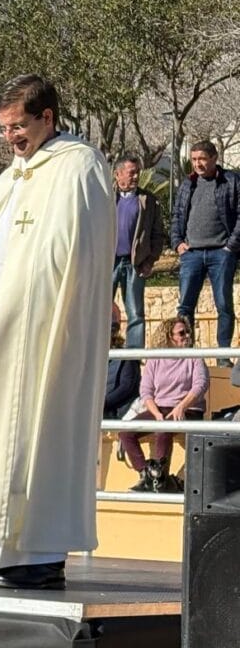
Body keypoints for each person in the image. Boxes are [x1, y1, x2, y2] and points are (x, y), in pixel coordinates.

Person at [0, 75, 115, 590]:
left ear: (47, 117)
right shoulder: (12, 176)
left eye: (18, 126)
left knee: (40, 437)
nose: (11, 137)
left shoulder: (79, 166)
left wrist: (23, 311)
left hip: (45, 333)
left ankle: (40, 556)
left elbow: (73, 257)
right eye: (4, 128)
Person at [171, 139, 240, 365]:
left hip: (221, 254)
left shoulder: (231, 181)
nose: (197, 164)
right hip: (191, 254)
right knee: (185, 306)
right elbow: (177, 215)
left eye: (202, 159)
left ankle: (223, 358)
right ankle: (186, 357)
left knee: (224, 306)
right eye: (193, 159)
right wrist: (177, 243)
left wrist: (230, 246)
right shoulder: (187, 184)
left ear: (214, 158)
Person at [119, 317, 207, 493]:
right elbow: (146, 391)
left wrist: (182, 406)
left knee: (163, 430)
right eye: (181, 333)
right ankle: (146, 475)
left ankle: (160, 480)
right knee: (125, 432)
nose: (187, 336)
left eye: (188, 332)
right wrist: (156, 413)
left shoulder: (194, 357)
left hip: (189, 409)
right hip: (160, 408)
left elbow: (201, 384)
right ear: (168, 336)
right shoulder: (155, 358)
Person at [110, 156, 166, 351]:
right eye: (131, 173)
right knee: (101, 309)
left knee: (135, 312)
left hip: (134, 263)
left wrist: (150, 261)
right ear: (118, 174)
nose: (135, 177)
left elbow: (158, 234)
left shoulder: (148, 201)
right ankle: (103, 351)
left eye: (137, 173)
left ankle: (134, 355)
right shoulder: (106, 198)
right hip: (109, 263)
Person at [104, 306, 140, 421]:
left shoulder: (126, 357)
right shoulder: (94, 357)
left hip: (119, 412)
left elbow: (125, 387)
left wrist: (102, 403)